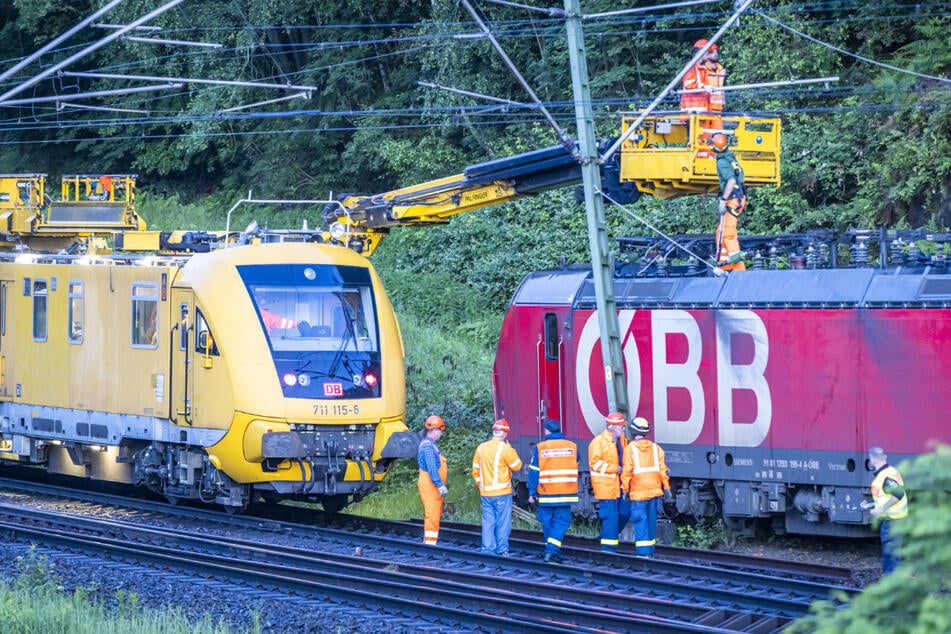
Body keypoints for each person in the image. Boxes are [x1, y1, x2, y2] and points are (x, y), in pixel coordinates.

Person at [527, 419, 579, 563]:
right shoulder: (572, 446)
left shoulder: (540, 447)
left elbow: (534, 472)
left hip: (546, 492)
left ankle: (550, 551)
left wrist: (532, 492)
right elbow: (577, 462)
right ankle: (551, 551)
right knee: (561, 522)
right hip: (566, 492)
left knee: (547, 522)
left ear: (547, 431)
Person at [472, 419, 523, 556]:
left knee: (488, 521)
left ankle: (488, 549)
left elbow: (475, 470)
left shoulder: (481, 448)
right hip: (502, 492)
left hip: (485, 493)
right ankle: (502, 549)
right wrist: (511, 449)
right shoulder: (505, 449)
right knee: (502, 521)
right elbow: (517, 466)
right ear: (504, 433)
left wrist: (481, 486)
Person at [621, 416, 670, 557]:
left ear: (632, 432)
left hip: (638, 494)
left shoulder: (630, 449)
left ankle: (643, 554)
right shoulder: (656, 449)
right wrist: (666, 488)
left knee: (640, 521)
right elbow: (663, 470)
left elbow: (626, 472)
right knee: (651, 522)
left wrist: (625, 489)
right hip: (654, 493)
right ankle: (651, 553)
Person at [588, 412, 631, 552]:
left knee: (625, 513)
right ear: (612, 427)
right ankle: (608, 550)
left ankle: (605, 537)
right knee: (611, 519)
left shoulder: (622, 441)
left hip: (620, 486)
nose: (623, 429)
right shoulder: (598, 442)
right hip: (606, 488)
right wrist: (615, 469)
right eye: (621, 426)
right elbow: (595, 464)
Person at [867, 446, 908, 574]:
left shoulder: (883, 477)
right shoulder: (892, 471)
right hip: (897, 519)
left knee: (890, 555)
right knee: (894, 554)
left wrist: (881, 510)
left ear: (872, 460)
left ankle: (891, 585)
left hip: (892, 522)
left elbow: (898, 494)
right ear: (884, 457)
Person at [712, 132, 747, 272]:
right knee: (720, 232)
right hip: (737, 198)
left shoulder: (722, 162)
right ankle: (724, 265)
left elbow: (731, 181)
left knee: (728, 235)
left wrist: (723, 199)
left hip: (733, 200)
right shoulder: (731, 158)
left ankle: (739, 270)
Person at [681, 39, 725, 148]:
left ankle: (705, 158)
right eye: (708, 52)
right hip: (692, 111)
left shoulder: (702, 69)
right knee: (696, 139)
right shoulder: (691, 66)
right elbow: (688, 84)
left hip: (702, 111)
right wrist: (703, 87)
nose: (709, 55)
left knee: (704, 139)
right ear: (702, 52)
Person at [417, 415, 448, 545]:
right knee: (432, 515)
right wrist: (440, 484)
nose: (441, 434)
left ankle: (428, 541)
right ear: (434, 430)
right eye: (440, 431)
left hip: (431, 484)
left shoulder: (430, 444)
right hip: (430, 485)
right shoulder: (428, 447)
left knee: (434, 512)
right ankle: (430, 544)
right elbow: (432, 468)